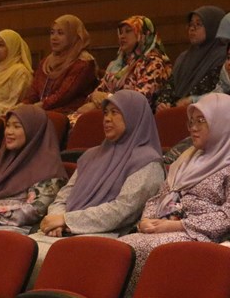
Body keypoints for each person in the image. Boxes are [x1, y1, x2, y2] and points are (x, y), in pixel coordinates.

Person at [35, 90, 165, 258]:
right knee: (19, 252)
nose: (107, 118)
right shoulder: (91, 155)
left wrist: (68, 220)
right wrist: (55, 219)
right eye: (105, 113)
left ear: (134, 116)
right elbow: (64, 195)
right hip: (63, 231)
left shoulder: (148, 161)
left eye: (115, 112)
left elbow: (124, 210)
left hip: (108, 236)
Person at [120, 94, 230, 288]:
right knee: (116, 250)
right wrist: (147, 221)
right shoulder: (186, 159)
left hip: (200, 236)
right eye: (191, 122)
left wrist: (177, 226)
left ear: (222, 123)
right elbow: (158, 197)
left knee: (142, 250)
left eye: (201, 121)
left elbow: (226, 216)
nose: (193, 128)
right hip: (162, 230)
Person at [0, 105, 68, 232]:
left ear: (34, 131)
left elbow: (33, 210)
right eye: (8, 125)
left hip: (15, 230)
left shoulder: (49, 168)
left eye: (16, 126)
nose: (9, 132)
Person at [77, 15, 171, 113]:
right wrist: (94, 96)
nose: (122, 36)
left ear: (143, 34)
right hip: (109, 112)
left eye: (128, 31)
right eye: (120, 32)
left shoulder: (153, 63)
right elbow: (98, 92)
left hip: (134, 118)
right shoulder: (117, 64)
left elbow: (140, 100)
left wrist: (107, 98)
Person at [21, 14, 98, 114]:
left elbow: (64, 95)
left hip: (68, 113)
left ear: (73, 36)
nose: (54, 38)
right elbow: (34, 91)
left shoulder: (83, 62)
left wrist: (38, 107)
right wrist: (24, 105)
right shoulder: (46, 61)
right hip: (43, 111)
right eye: (52, 33)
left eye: (60, 33)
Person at [156, 6, 227, 109]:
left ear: (213, 27)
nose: (192, 28)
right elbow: (170, 86)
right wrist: (163, 103)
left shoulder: (222, 56)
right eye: (191, 24)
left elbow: (205, 89)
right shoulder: (183, 57)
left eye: (198, 24)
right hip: (176, 112)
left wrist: (179, 105)